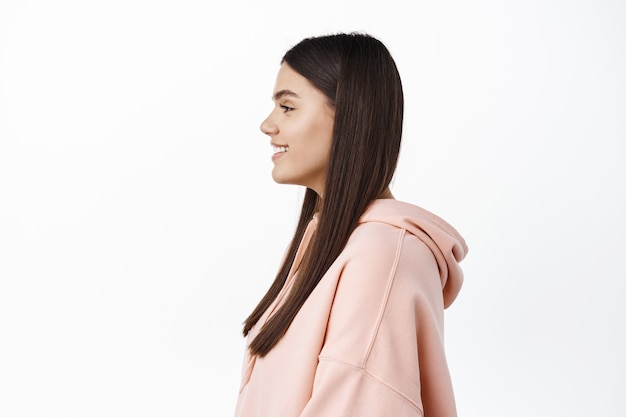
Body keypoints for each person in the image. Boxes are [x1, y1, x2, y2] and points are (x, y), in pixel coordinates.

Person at [234, 32, 468, 417]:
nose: (267, 125)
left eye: (288, 108)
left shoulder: (382, 256)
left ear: (348, 115)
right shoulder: (327, 242)